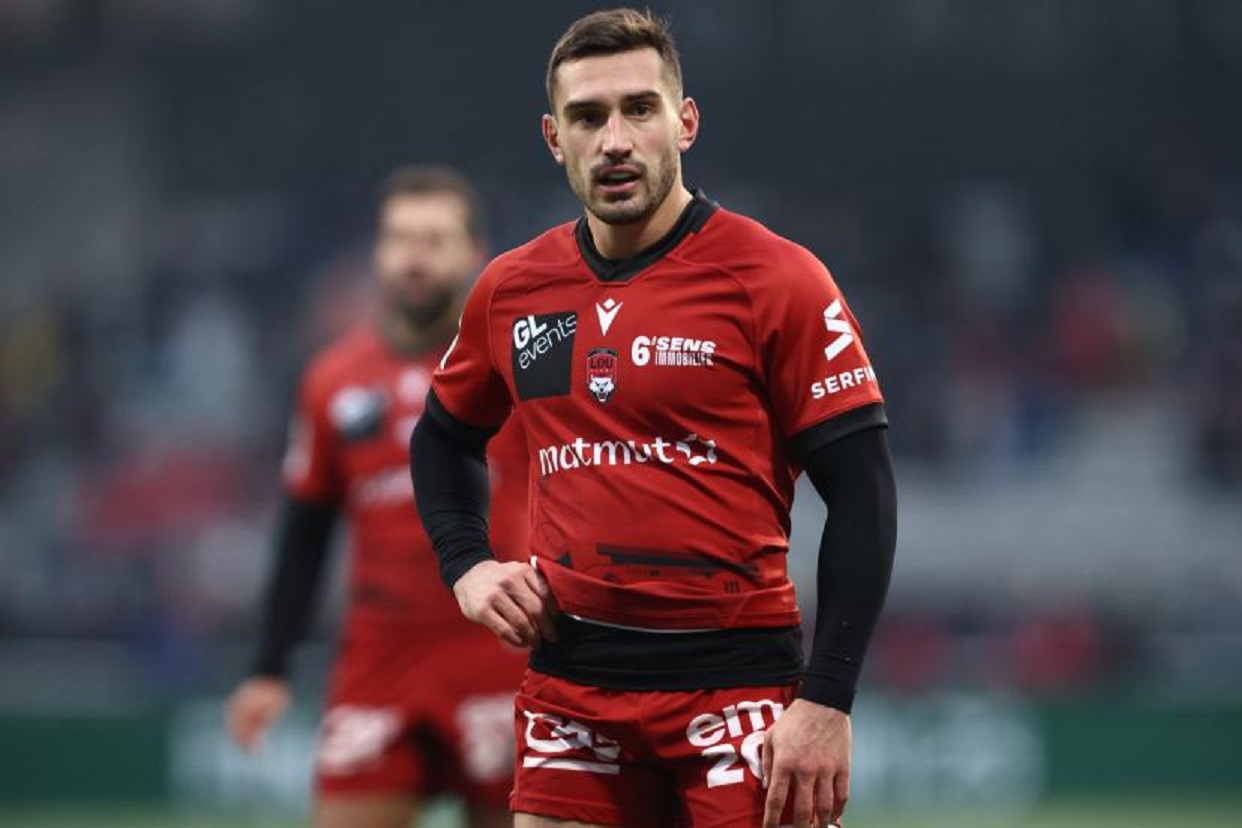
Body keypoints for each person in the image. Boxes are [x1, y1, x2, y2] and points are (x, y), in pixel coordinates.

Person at [410, 9, 897, 828]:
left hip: (739, 685)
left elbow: (863, 492)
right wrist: (468, 566)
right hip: (572, 685)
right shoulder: (513, 289)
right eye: (587, 117)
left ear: (685, 122)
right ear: (554, 138)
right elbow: (442, 437)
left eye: (639, 109)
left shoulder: (775, 278)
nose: (615, 141)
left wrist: (827, 700)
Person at [226, 165, 528, 828]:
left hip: (502, 649)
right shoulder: (332, 379)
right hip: (381, 655)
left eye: (434, 240)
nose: (414, 258)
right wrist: (270, 666)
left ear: (474, 253)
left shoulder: (517, 366)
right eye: (400, 239)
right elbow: (306, 527)